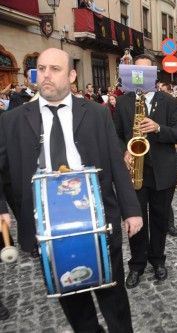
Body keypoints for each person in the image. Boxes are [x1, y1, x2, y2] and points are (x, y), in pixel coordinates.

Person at [0, 48, 143, 332]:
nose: (46, 75)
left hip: (99, 222)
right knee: (73, 305)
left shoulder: (97, 113)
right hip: (47, 231)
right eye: (41, 69)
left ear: (72, 75)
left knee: (113, 298)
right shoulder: (11, 120)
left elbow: (116, 162)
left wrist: (131, 211)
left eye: (55, 69)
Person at [114, 53, 177, 288]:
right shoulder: (124, 102)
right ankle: (137, 264)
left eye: (147, 71)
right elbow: (115, 135)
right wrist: (124, 150)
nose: (141, 75)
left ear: (154, 74)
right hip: (134, 170)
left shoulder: (169, 101)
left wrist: (157, 128)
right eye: (137, 70)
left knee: (160, 220)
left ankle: (158, 260)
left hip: (161, 173)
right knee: (136, 221)